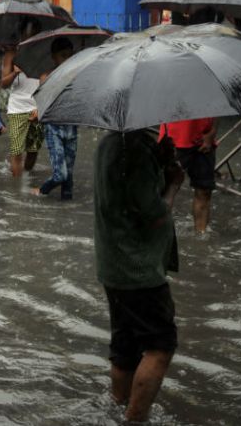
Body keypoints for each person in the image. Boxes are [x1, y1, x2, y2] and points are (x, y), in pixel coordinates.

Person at [93, 128, 184, 423]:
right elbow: (154, 214)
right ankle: (134, 419)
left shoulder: (110, 143)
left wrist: (159, 159)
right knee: (161, 346)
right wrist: (173, 184)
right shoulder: (134, 149)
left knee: (126, 346)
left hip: (113, 264)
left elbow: (126, 195)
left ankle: (117, 408)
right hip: (138, 269)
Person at [31, 37, 78, 200]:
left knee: (68, 181)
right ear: (53, 57)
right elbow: (44, 102)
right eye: (63, 55)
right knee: (60, 175)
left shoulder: (76, 76)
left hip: (71, 128)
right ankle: (42, 191)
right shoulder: (46, 77)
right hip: (54, 130)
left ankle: (66, 208)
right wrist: (38, 112)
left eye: (70, 55)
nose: (67, 59)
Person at [159, 118, 218, 233]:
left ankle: (201, 235)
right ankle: (160, 234)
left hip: (205, 138)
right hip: (173, 137)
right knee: (165, 190)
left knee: (204, 191)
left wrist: (213, 132)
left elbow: (219, 108)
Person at [1, 18, 43, 177]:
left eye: (34, 35)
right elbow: (3, 84)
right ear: (21, 35)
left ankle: (26, 180)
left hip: (37, 108)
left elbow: (47, 80)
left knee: (33, 151)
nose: (30, 38)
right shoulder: (12, 55)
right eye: (27, 35)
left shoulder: (43, 55)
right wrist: (15, 72)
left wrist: (41, 107)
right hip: (17, 108)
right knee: (16, 151)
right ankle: (17, 187)